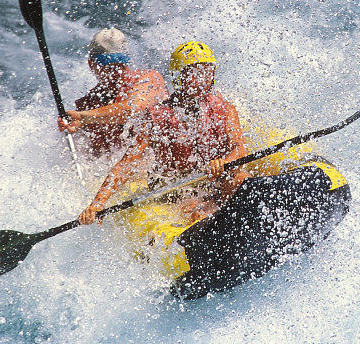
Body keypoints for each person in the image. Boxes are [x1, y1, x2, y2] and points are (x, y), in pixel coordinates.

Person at [78, 41, 249, 225]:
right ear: (178, 78)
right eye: (194, 73)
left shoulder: (224, 108)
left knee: (240, 179)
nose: (201, 80)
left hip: (213, 180)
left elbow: (239, 148)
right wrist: (98, 203)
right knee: (195, 210)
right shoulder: (157, 117)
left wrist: (224, 162)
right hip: (175, 189)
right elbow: (128, 162)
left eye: (206, 72)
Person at [58, 28, 168, 155]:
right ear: (91, 64)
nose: (115, 70)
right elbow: (93, 156)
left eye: (120, 62)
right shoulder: (89, 105)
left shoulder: (149, 79)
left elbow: (134, 110)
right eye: (106, 63)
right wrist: (68, 127)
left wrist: (83, 117)